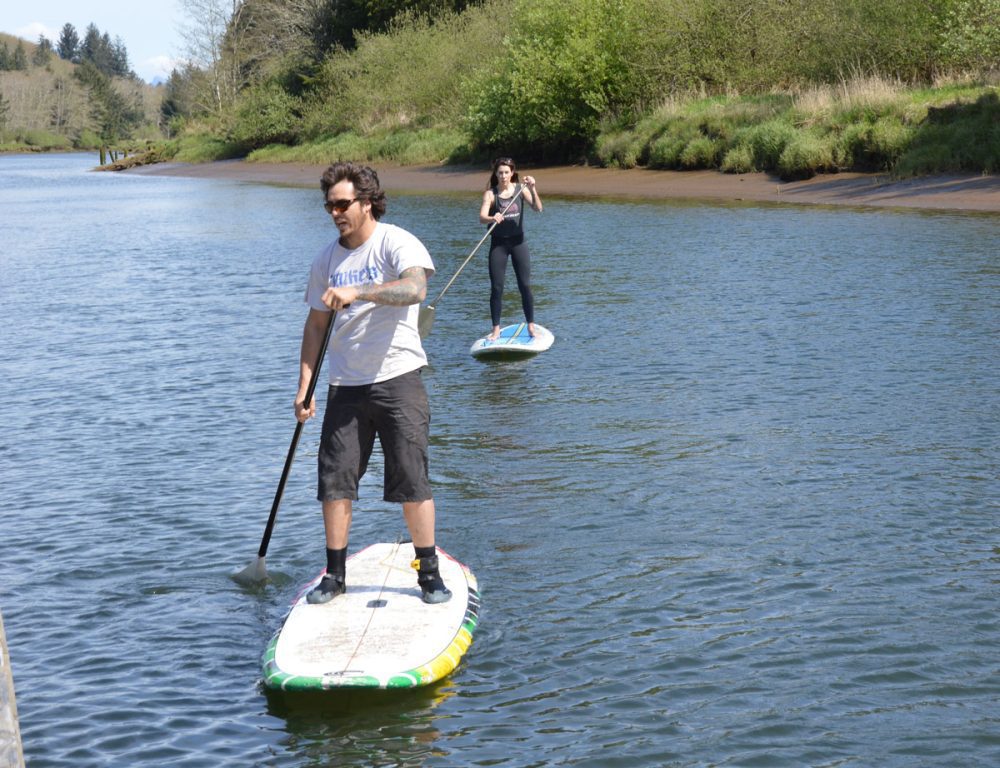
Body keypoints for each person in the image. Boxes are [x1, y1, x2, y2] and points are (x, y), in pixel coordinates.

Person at [295, 161, 451, 605]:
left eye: (342, 204)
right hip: (345, 385)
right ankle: (335, 575)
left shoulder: (396, 242)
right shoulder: (325, 259)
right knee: (334, 481)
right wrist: (304, 387)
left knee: (411, 477)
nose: (334, 213)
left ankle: (429, 573)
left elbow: (416, 289)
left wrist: (359, 292)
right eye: (329, 205)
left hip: (398, 379)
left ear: (367, 202)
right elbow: (314, 327)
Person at [478, 156, 543, 340]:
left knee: (525, 285)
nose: (503, 176)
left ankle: (531, 326)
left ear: (512, 173)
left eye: (507, 172)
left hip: (518, 244)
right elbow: (482, 216)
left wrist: (533, 188)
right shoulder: (491, 194)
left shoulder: (520, 190)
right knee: (497, 288)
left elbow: (538, 208)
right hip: (498, 245)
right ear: (496, 174)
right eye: (500, 173)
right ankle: (496, 329)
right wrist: (492, 218)